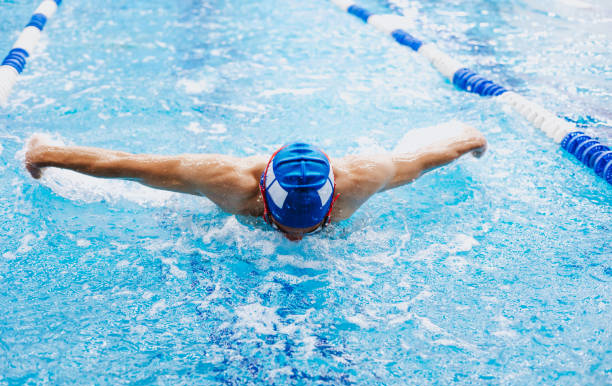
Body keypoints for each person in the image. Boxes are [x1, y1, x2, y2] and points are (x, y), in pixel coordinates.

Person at [25, 124, 486, 240]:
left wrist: (470, 139)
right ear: (260, 197)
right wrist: (48, 154)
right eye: (286, 222)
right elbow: (129, 165)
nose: (296, 235)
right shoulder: (223, 181)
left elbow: (424, 159)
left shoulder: (365, 177)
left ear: (335, 199)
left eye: (310, 223)